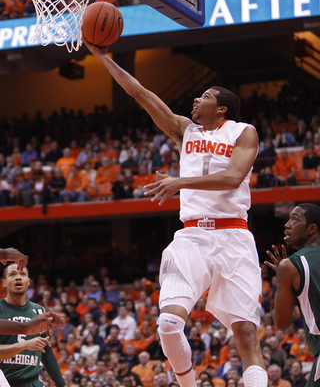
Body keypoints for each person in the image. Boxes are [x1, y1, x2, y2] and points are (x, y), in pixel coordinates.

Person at [83, 40, 267, 387]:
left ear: (223, 108)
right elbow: (138, 92)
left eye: (206, 96)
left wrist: (179, 182)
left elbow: (233, 178)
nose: (197, 100)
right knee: (167, 324)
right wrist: (103, 57)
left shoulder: (243, 132)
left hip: (234, 236)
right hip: (192, 237)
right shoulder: (185, 130)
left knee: (246, 334)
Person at [265, 203, 320, 387]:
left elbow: (282, 323)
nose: (287, 224)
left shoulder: (290, 266)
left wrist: (284, 283)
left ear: (312, 228)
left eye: (295, 219)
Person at [0, 262, 66, 387]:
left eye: (22, 274)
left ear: (28, 281)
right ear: (4, 282)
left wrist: (62, 384)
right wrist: (24, 345)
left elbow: (46, 351)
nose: (18, 277)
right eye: (12, 274)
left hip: (32, 382)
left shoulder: (39, 311)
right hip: (4, 381)